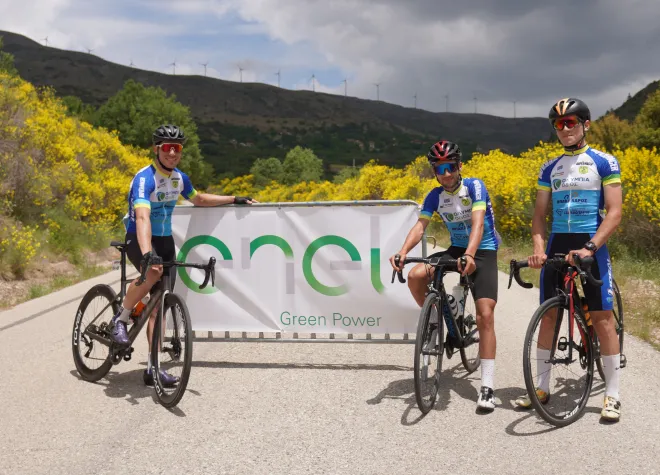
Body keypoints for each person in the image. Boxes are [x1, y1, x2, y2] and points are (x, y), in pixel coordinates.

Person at [111, 124, 257, 387]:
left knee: (159, 306)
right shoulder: (145, 179)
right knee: (153, 272)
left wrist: (234, 198)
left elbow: (198, 199)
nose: (172, 153)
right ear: (156, 149)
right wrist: (147, 254)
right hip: (139, 237)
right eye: (167, 148)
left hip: (165, 241)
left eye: (177, 148)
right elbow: (142, 217)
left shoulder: (179, 178)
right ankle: (120, 318)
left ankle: (153, 368)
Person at [514, 98, 623, 422]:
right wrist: (538, 249)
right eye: (558, 124)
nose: (564, 129)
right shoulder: (549, 168)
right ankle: (542, 387)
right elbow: (539, 216)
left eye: (570, 122)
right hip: (558, 242)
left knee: (602, 318)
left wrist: (590, 248)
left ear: (585, 124)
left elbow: (614, 212)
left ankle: (612, 394)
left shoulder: (604, 162)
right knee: (549, 317)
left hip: (591, 242)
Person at [390, 140, 500, 411]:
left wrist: (470, 255)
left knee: (485, 314)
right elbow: (420, 226)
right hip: (456, 249)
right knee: (416, 275)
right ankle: (438, 316)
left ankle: (487, 387)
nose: (446, 173)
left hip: (483, 249)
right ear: (434, 172)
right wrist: (402, 251)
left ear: (459, 165)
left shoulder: (474, 187)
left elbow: (477, 224)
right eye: (440, 169)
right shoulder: (435, 195)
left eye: (450, 167)